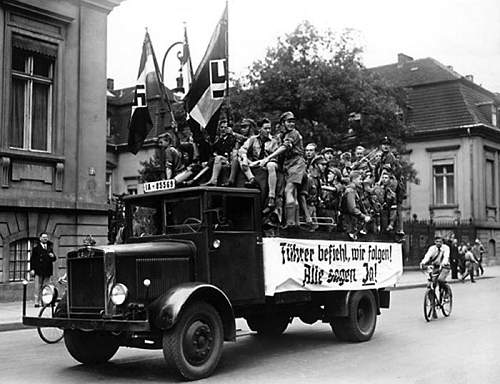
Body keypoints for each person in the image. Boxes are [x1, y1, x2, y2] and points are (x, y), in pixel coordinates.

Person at [257, 111, 305, 228]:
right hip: (289, 164)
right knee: (293, 192)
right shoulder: (283, 135)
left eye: (293, 121)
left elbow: (284, 147)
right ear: (283, 123)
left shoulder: (293, 134)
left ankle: (290, 224)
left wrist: (268, 158)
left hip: (296, 163)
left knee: (288, 191)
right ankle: (295, 223)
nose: (291, 124)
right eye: (289, 121)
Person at [201, 119, 237, 186]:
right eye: (221, 127)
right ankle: (196, 179)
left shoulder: (233, 138)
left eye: (225, 127)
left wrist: (233, 133)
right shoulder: (218, 140)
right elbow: (213, 150)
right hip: (219, 160)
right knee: (210, 161)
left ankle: (213, 180)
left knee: (218, 158)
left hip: (229, 159)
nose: (223, 129)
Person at [340, 170, 371, 240]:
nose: (361, 181)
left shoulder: (354, 190)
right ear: (354, 180)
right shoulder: (350, 191)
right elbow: (352, 209)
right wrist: (363, 217)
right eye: (359, 179)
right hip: (348, 222)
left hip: (351, 221)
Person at [29, 232, 57, 307]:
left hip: (47, 270)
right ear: (40, 238)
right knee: (38, 286)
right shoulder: (36, 249)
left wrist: (52, 256)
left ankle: (45, 302)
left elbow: (54, 259)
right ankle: (36, 302)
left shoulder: (49, 248)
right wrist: (32, 269)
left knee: (46, 287)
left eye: (46, 237)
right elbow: (32, 260)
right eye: (44, 237)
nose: (45, 239)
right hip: (38, 270)